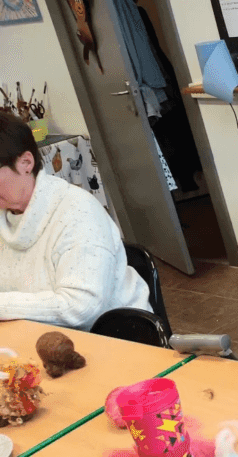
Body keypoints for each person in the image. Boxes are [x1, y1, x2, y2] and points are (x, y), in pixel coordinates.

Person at [0, 113, 151, 330]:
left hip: (116, 337)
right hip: (36, 333)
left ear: (25, 163)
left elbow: (80, 308)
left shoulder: (77, 212)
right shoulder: (6, 210)